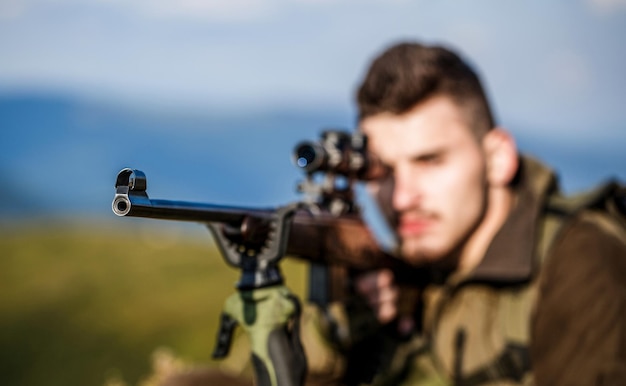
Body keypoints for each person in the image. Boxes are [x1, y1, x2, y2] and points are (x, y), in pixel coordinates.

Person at [301, 41, 626, 386]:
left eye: (430, 161)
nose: (402, 198)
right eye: (382, 173)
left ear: (498, 159)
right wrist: (334, 336)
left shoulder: (581, 258)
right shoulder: (401, 276)